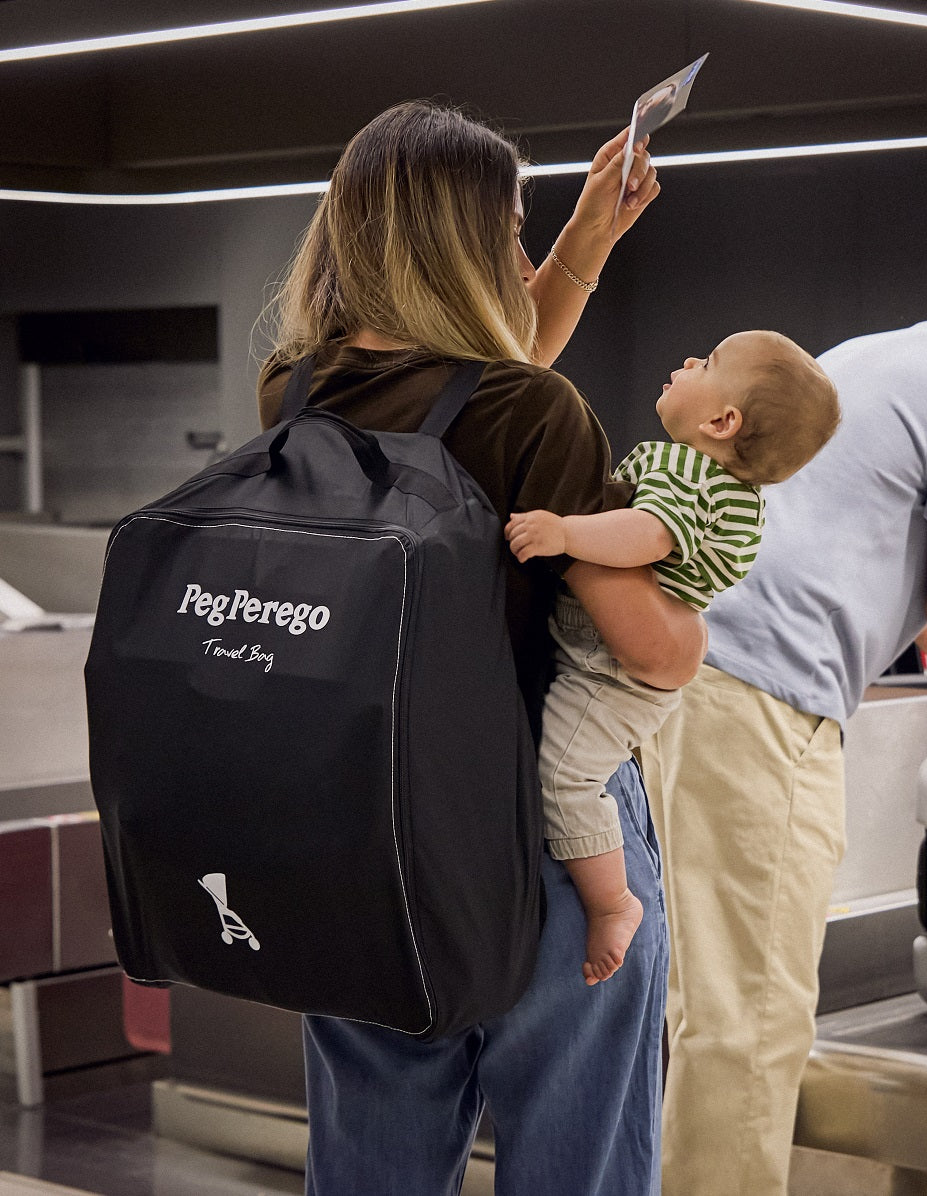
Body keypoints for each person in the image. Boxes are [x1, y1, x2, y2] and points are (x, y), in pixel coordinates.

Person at [257, 100, 706, 1195]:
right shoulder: (538, 414)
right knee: (577, 1163)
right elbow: (652, 653)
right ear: (456, 246)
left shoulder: (296, 389)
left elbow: (469, 394)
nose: (518, 254)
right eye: (507, 230)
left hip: (359, 841)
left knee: (371, 1164)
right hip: (542, 849)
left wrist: (581, 246)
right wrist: (696, 603)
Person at [638, 208, 927, 1195]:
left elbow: (919, 604)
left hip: (697, 680)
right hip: (763, 700)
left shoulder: (870, 357)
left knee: (718, 1011)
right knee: (752, 1022)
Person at [505, 330, 839, 985]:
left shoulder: (698, 477)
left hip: (608, 675)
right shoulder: (708, 478)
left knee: (565, 780)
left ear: (722, 421)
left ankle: (611, 905)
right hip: (602, 659)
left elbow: (649, 536)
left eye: (708, 363)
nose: (687, 360)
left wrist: (564, 533)